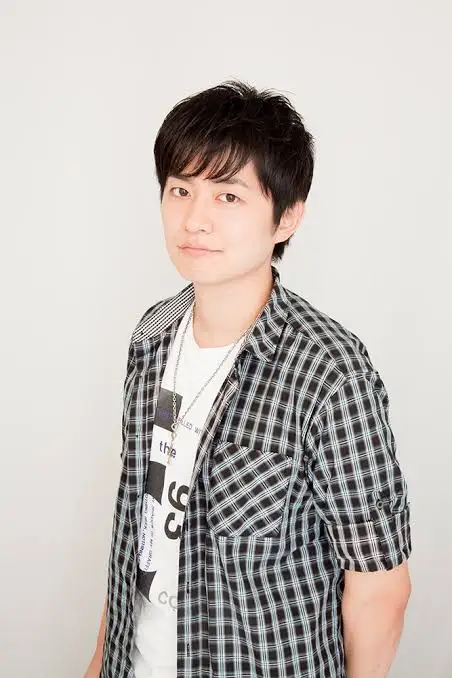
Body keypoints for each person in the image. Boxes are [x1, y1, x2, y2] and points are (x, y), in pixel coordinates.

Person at [84, 80, 412, 678]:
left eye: (228, 196)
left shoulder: (328, 371)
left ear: (287, 217)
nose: (195, 219)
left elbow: (379, 587)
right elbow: (138, 528)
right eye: (181, 190)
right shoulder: (151, 337)